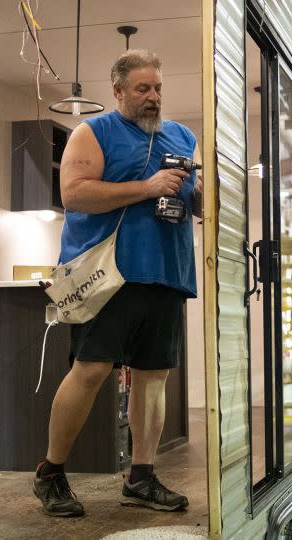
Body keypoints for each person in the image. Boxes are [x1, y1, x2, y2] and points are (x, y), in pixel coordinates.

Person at [32, 49, 202, 518]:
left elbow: (199, 202)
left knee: (153, 378)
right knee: (90, 371)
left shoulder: (183, 136)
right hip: (109, 275)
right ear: (119, 91)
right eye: (143, 89)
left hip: (166, 274)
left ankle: (141, 477)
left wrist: (204, 193)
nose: (153, 97)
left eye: (159, 88)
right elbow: (75, 194)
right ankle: (51, 473)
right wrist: (148, 187)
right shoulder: (94, 131)